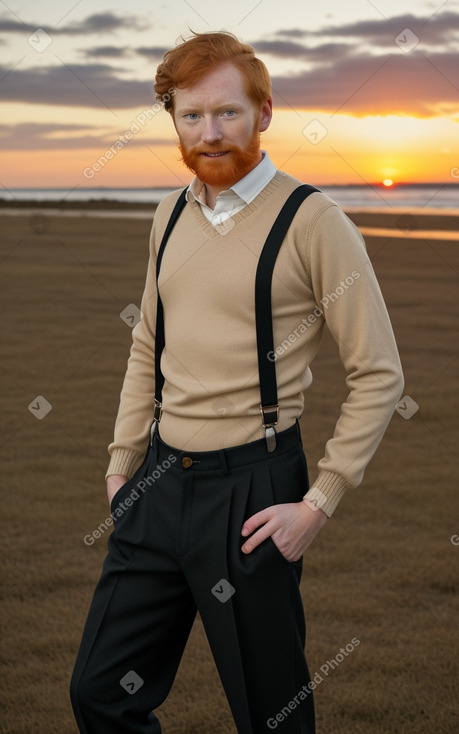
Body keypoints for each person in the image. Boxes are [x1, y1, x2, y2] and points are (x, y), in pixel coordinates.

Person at [70, 31, 404, 734]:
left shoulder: (314, 222)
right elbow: (147, 344)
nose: (208, 132)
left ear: (264, 112)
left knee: (271, 715)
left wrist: (317, 502)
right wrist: (120, 467)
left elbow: (377, 373)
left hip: (253, 493)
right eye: (190, 116)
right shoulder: (169, 214)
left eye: (226, 113)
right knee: (100, 692)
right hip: (156, 487)